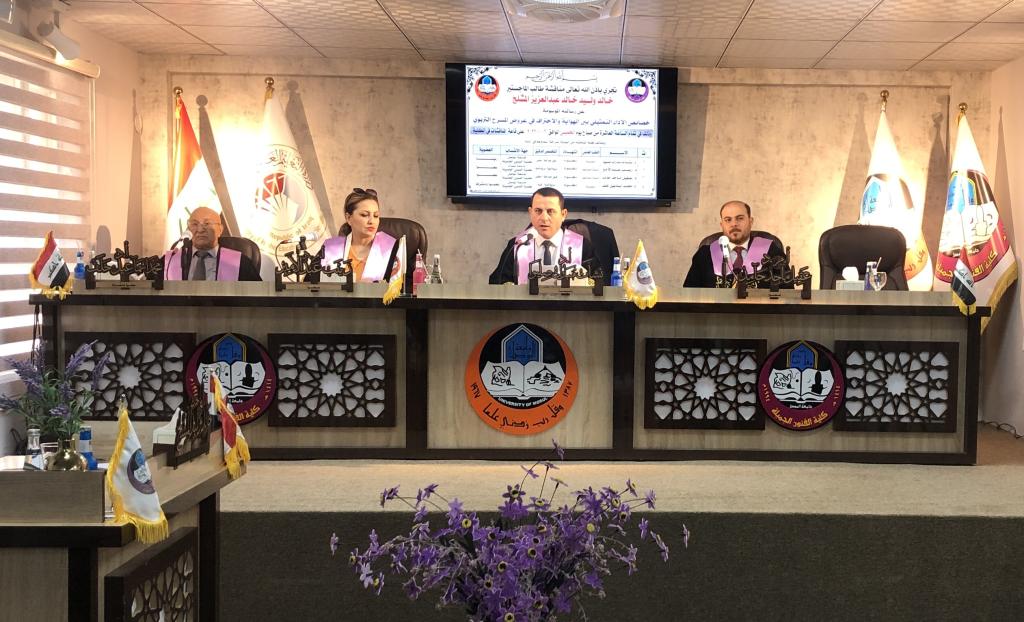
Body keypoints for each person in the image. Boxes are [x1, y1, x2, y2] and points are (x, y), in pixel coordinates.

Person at [488, 187, 596, 284]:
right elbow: (498, 283)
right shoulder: (518, 245)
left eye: (550, 211)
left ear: (563, 214)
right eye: (538, 211)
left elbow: (597, 282)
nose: (544, 218)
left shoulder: (582, 246)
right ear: (530, 212)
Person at [683, 200, 786, 288]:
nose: (734, 224)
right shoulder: (705, 254)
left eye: (740, 218)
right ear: (722, 225)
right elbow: (689, 294)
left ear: (750, 221)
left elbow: (786, 293)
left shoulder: (771, 251)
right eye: (728, 220)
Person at [319, 188, 398, 283]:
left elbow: (398, 287)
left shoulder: (391, 248)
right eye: (364, 215)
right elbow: (310, 285)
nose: (372, 221)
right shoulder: (330, 248)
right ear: (348, 218)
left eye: (376, 216)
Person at [164, 206, 261, 281]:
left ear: (220, 229)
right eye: (194, 224)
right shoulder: (169, 261)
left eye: (207, 224)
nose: (200, 230)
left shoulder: (240, 263)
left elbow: (258, 296)